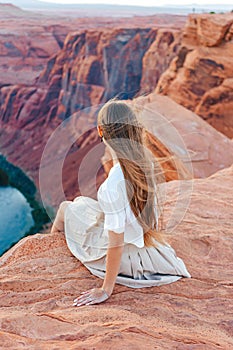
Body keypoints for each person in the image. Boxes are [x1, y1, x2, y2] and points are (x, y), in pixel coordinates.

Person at [51, 100, 191, 307]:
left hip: (123, 253)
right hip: (140, 241)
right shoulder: (144, 161)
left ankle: (51, 252)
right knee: (81, 204)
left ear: (100, 131)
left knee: (65, 208)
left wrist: (105, 289)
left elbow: (115, 244)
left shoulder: (115, 183)